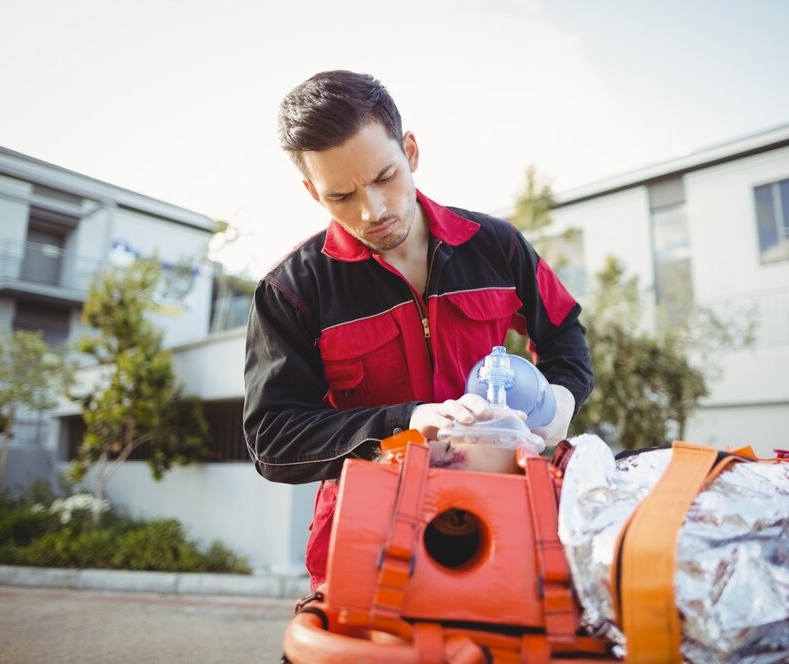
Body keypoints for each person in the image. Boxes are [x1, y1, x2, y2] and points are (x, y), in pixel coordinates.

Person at [243, 70, 593, 589]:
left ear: (410, 151)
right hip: (367, 539)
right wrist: (406, 424)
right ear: (313, 192)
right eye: (341, 195)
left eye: (385, 177)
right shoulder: (291, 290)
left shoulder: (497, 246)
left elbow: (564, 332)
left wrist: (560, 399)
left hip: (501, 518)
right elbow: (273, 438)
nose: (373, 211)